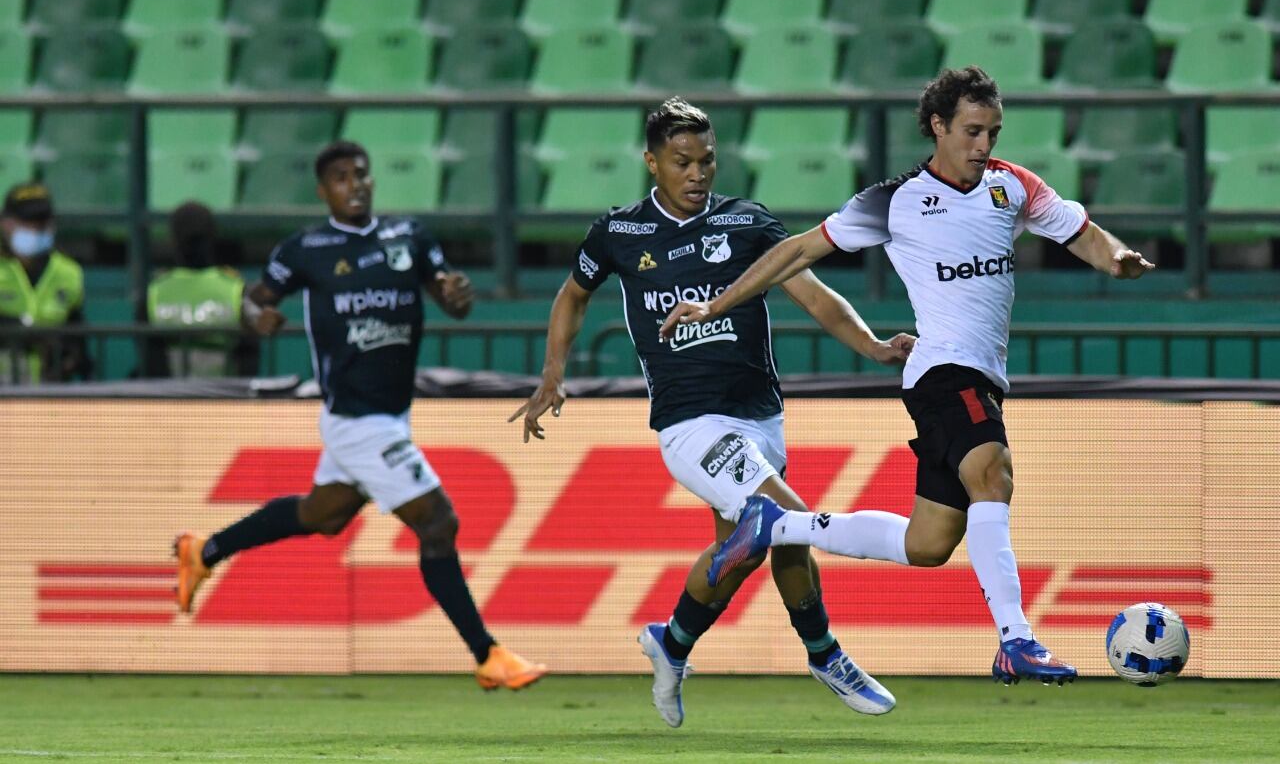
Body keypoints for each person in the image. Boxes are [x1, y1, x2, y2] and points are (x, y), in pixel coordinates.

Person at [660, 67, 1155, 687]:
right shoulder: (894, 200)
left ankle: (777, 524)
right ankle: (1017, 640)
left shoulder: (1012, 186)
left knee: (928, 543)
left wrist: (1115, 258)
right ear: (939, 126)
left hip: (976, 377)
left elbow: (1079, 233)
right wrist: (715, 304)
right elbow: (797, 251)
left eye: (993, 132)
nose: (984, 145)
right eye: (972, 131)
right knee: (993, 471)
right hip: (943, 371)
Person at [510, 98, 914, 727]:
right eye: (682, 162)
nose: (698, 173)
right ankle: (826, 654)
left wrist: (875, 346)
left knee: (754, 547)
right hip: (690, 423)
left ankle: (670, 644)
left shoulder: (747, 223)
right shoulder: (619, 233)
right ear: (651, 162)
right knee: (785, 516)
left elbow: (812, 292)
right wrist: (552, 374)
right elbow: (572, 296)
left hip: (759, 415)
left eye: (707, 160)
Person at [173, 141, 547, 691]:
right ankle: (487, 655)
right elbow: (254, 300)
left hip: (391, 416)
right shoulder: (306, 250)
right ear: (323, 191)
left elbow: (453, 299)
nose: (357, 185)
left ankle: (203, 550)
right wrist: (259, 318)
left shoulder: (409, 237)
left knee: (323, 514)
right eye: (343, 178)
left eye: (362, 175)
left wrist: (457, 293)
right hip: (356, 417)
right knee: (438, 524)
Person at [145, 201, 257, 377]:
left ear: (173, 239)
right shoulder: (235, 288)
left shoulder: (155, 291)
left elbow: (151, 363)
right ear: (213, 236)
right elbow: (249, 362)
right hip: (226, 399)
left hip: (168, 400)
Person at [0, 182, 89, 383]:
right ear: (5, 223)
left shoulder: (69, 272)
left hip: (47, 394)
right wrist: (21, 330)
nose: (36, 228)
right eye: (27, 221)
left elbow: (78, 332)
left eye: (42, 221)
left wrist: (69, 358)